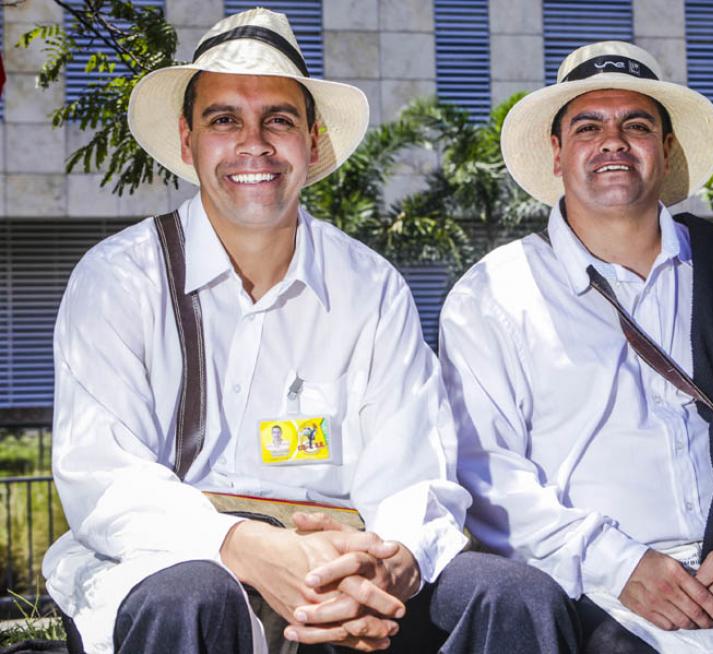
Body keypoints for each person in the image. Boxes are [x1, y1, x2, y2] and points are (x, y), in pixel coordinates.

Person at [43, 9, 578, 654]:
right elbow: (104, 476)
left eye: (279, 119)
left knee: (516, 597)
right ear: (188, 141)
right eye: (224, 120)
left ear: (311, 141)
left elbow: (412, 471)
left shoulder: (370, 287)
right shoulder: (119, 279)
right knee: (192, 595)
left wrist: (389, 562)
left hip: (344, 564)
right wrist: (248, 548)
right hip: (174, 558)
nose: (255, 144)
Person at [439, 41, 713, 653]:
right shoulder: (492, 296)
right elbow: (487, 473)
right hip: (597, 597)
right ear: (556, 153)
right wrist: (620, 564)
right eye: (588, 126)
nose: (613, 140)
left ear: (664, 151)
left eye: (636, 125)